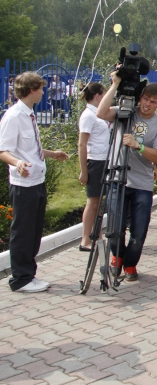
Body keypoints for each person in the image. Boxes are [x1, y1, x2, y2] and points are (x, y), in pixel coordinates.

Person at [0, 72, 69, 292]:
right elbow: (3, 150)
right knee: (23, 232)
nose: (43, 92)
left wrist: (52, 154)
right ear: (31, 90)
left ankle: (29, 274)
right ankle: (20, 279)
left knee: (34, 231)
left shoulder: (29, 114)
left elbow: (30, 148)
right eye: (40, 88)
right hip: (23, 185)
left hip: (37, 182)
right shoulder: (13, 116)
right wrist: (17, 163)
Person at [96, 75, 157, 281]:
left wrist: (139, 146)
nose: (147, 105)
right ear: (140, 97)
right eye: (145, 99)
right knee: (115, 229)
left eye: (153, 102)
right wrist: (115, 84)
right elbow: (101, 112)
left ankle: (130, 264)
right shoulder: (126, 113)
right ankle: (117, 257)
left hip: (142, 184)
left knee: (138, 232)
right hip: (118, 179)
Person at [78, 82, 110, 251]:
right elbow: (82, 144)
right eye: (103, 94)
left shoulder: (96, 113)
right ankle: (85, 239)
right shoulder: (88, 116)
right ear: (98, 96)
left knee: (98, 201)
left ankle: (96, 235)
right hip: (95, 161)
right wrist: (84, 171)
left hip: (103, 160)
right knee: (92, 201)